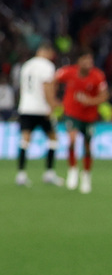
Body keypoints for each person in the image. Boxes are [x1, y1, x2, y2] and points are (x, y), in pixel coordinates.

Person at [56, 52, 109, 194]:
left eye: (90, 60)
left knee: (88, 146)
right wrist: (54, 101)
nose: (88, 63)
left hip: (89, 116)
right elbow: (53, 80)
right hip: (72, 113)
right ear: (79, 61)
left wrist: (89, 101)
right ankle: (72, 170)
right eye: (85, 59)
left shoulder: (98, 76)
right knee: (72, 140)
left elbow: (104, 96)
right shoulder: (68, 72)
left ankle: (86, 176)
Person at [14, 43, 63, 188]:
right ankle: (49, 173)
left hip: (26, 107)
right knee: (53, 138)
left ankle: (21, 174)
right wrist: (52, 105)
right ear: (46, 51)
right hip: (42, 109)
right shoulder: (47, 66)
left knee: (25, 139)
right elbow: (47, 87)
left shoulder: (26, 65)